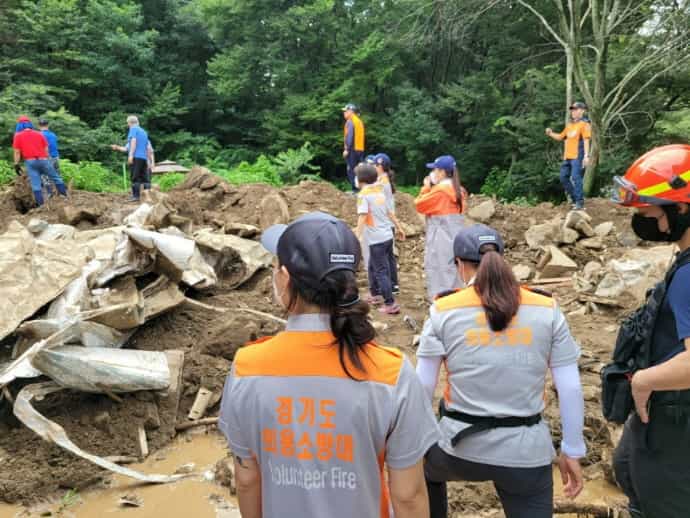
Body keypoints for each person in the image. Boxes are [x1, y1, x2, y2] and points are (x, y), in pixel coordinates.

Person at [218, 211, 440, 518]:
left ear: (284, 278)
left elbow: (246, 478)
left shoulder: (247, 367)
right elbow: (409, 496)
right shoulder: (391, 372)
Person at [416, 223, 586, 518]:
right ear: (502, 259)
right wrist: (572, 450)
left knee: (424, 473)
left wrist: (412, 448)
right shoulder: (547, 308)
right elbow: (570, 387)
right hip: (526, 454)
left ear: (459, 265)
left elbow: (421, 387)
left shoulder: (442, 310)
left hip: (456, 448)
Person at [610, 144, 690, 518]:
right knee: (630, 470)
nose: (642, 217)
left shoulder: (689, 277)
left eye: (648, 209)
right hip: (664, 419)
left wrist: (644, 380)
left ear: (681, 208)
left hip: (676, 422)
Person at [354, 164, 405, 315]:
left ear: (361, 179)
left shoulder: (363, 195)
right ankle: (374, 294)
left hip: (377, 239)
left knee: (381, 271)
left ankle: (390, 304)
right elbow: (390, 213)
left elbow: (362, 216)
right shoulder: (379, 191)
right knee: (372, 266)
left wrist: (357, 235)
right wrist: (399, 228)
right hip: (387, 236)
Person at [414, 155, 467, 301]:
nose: (433, 173)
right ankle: (456, 302)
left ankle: (440, 304)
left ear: (442, 172)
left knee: (438, 270)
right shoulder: (459, 190)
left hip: (440, 238)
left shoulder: (439, 191)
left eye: (435, 170)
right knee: (454, 271)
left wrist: (426, 187)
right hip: (456, 237)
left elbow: (419, 204)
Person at [12, 115, 68, 206]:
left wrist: (16, 164)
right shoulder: (39, 134)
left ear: (19, 125)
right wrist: (45, 158)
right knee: (56, 177)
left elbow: (17, 152)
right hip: (43, 159)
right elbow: (46, 148)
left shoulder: (18, 136)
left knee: (36, 184)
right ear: (29, 124)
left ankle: (41, 206)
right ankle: (64, 197)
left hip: (30, 162)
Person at [545, 101, 591, 210]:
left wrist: (586, 156)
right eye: (572, 109)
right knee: (563, 177)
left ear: (582, 111)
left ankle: (580, 202)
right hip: (567, 157)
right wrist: (550, 133)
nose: (573, 111)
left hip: (577, 156)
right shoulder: (570, 125)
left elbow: (586, 140)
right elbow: (561, 137)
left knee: (576, 177)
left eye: (576, 109)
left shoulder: (585, 124)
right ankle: (576, 199)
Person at [374, 153, 400, 294]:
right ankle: (394, 284)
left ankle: (386, 287)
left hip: (384, 224)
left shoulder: (382, 183)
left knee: (383, 258)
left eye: (375, 165)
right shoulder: (384, 180)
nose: (373, 167)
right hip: (388, 224)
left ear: (381, 167)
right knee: (389, 256)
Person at [110, 115, 150, 201]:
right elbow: (147, 147)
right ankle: (148, 197)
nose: (128, 125)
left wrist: (131, 155)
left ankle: (135, 197)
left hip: (136, 157)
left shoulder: (133, 129)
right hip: (143, 158)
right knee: (145, 179)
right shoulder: (143, 132)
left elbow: (133, 142)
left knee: (135, 177)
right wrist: (117, 147)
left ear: (130, 123)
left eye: (127, 123)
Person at [342, 103, 365, 193]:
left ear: (351, 111)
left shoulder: (350, 121)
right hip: (360, 149)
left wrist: (347, 149)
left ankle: (355, 190)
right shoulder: (358, 121)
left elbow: (349, 136)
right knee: (360, 170)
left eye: (345, 111)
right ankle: (362, 188)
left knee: (351, 170)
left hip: (352, 150)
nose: (344, 113)